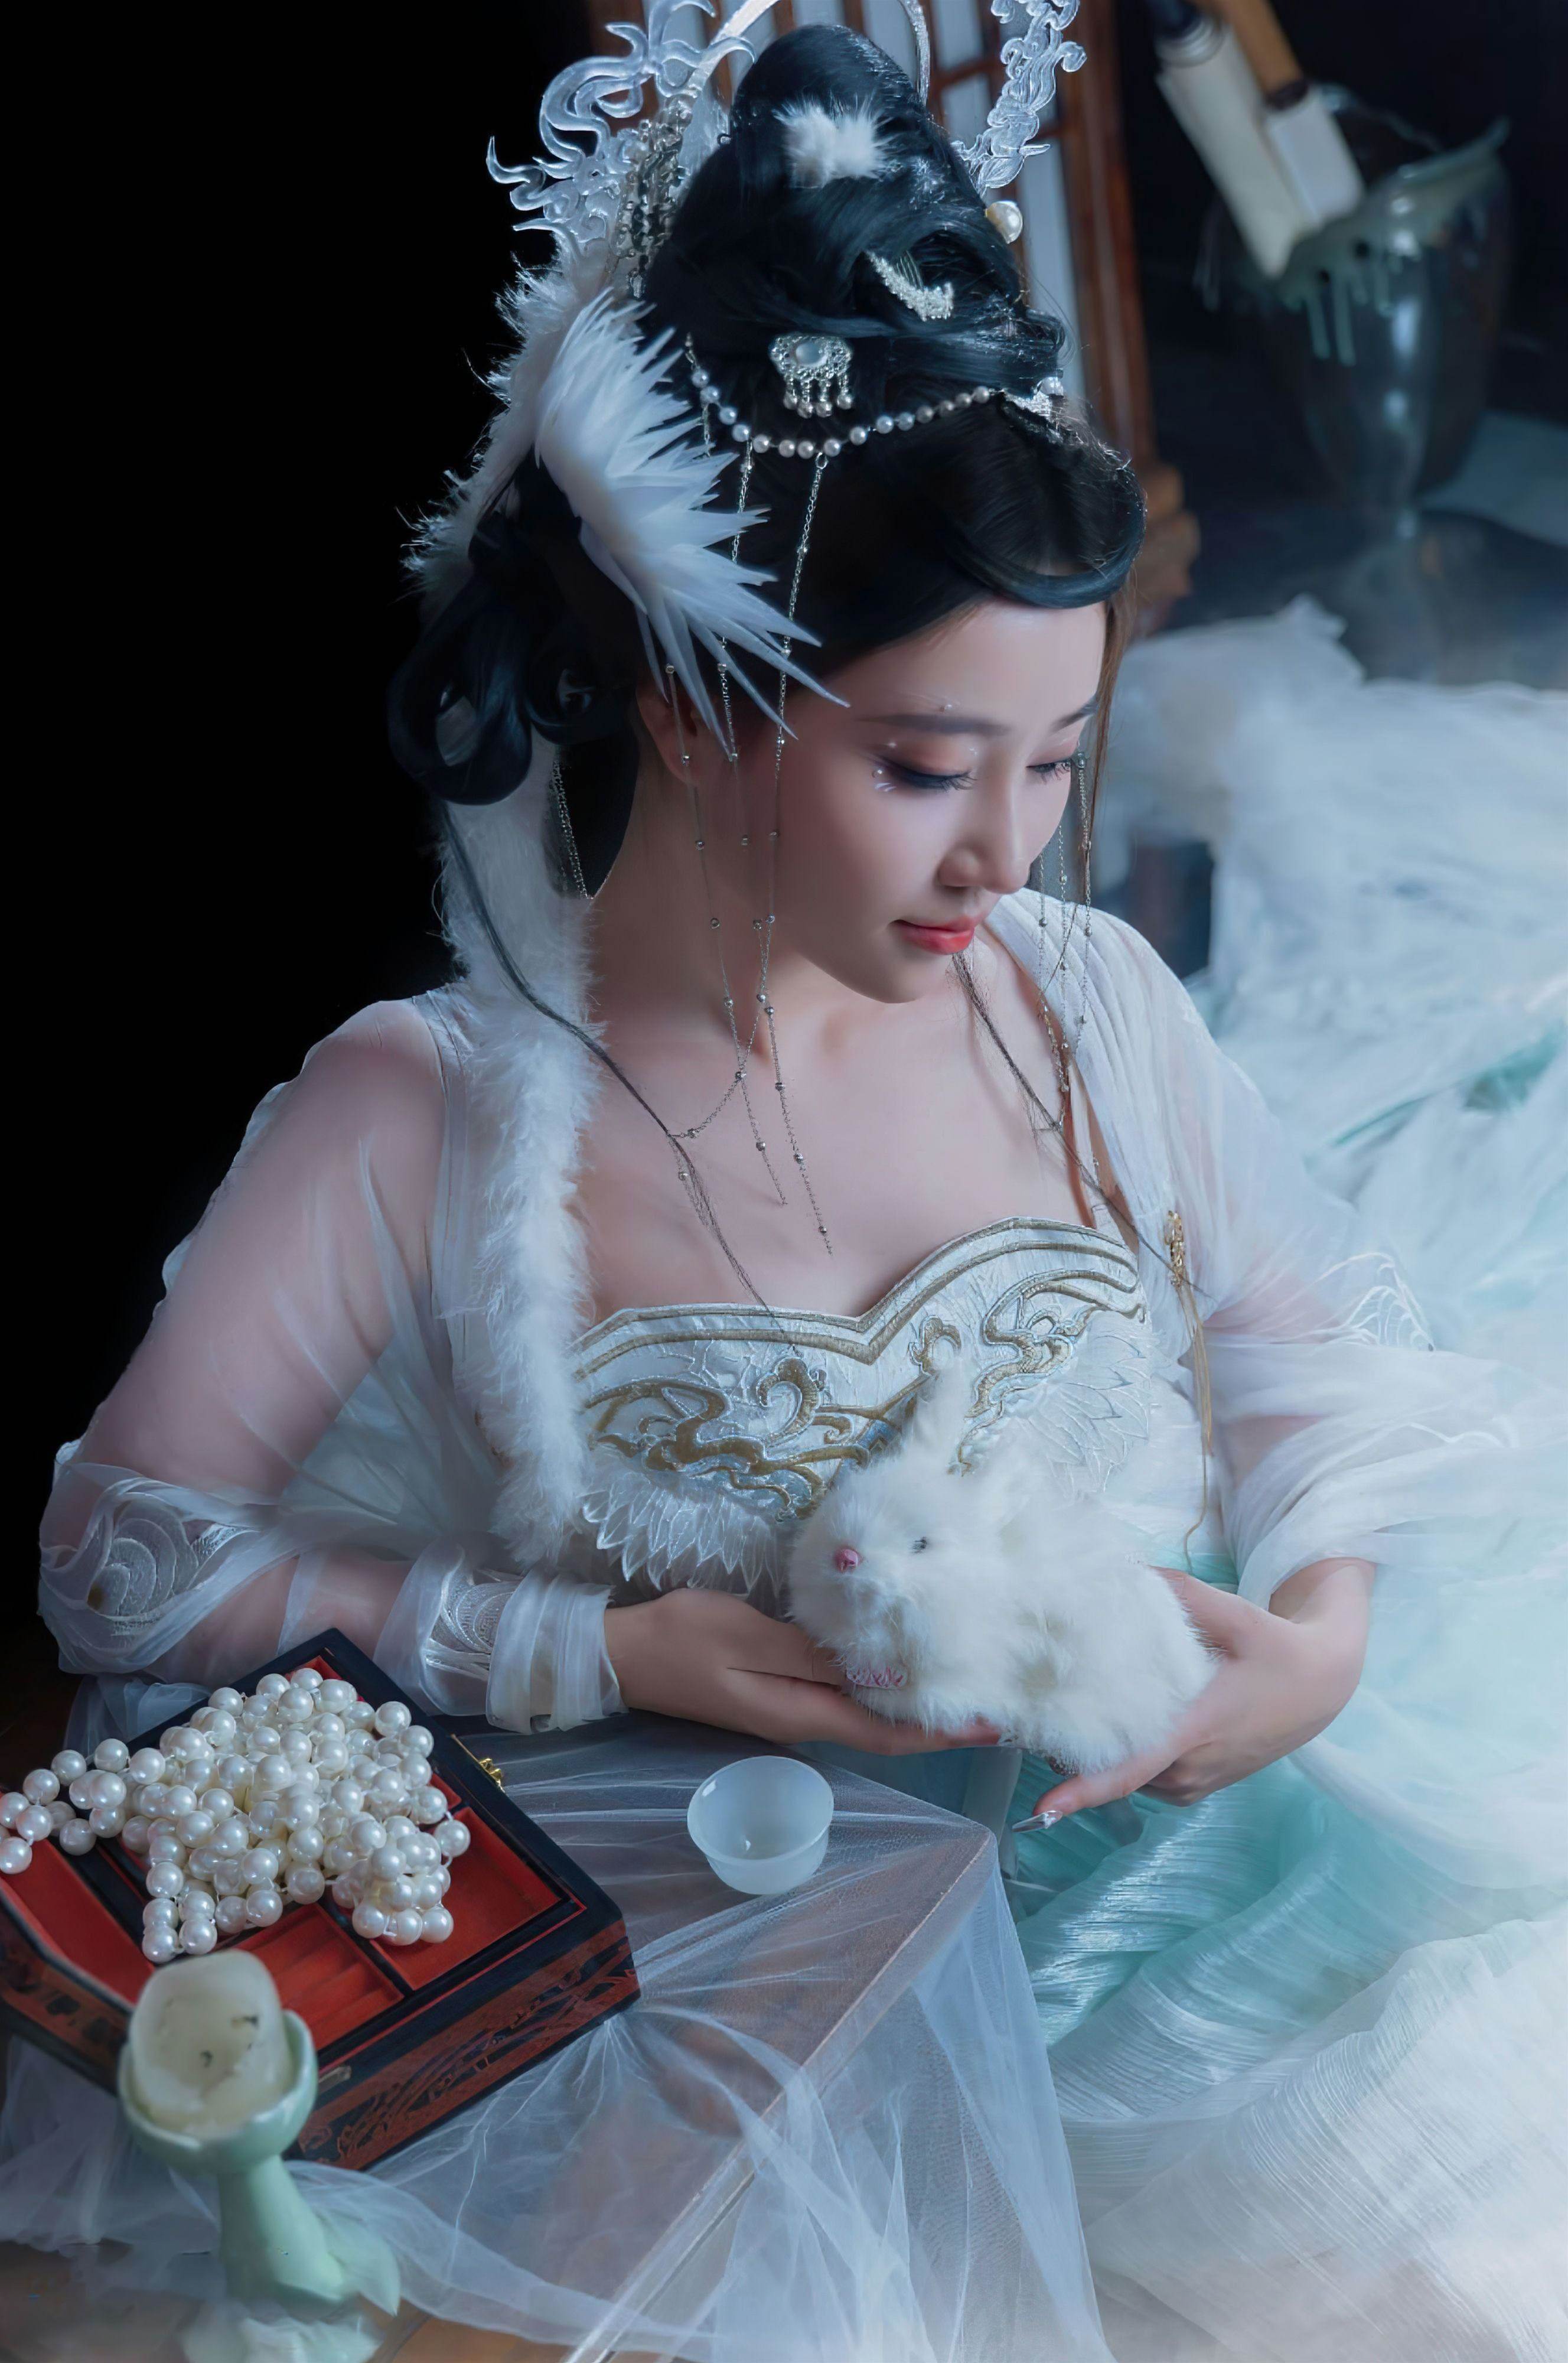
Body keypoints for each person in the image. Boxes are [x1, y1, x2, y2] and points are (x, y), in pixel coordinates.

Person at [31, 17, 1567, 2360]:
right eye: (929, 767)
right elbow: (125, 1560)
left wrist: (1322, 1638)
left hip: (1205, 1881)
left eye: (1056, 760)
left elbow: (1290, 1346)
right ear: (689, 703)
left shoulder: (1083, 1000)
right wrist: (597, 1648)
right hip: (759, 1964)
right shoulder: (431, 1114)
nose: (1007, 854)